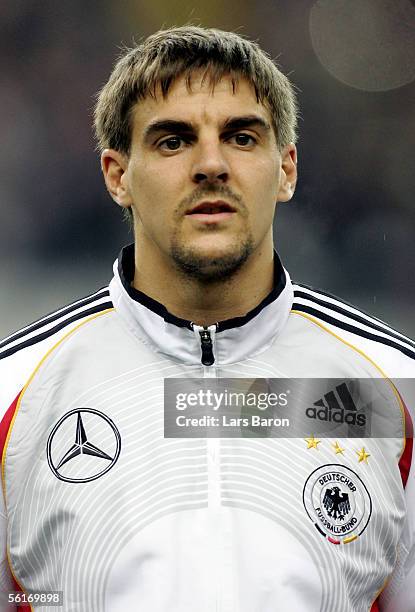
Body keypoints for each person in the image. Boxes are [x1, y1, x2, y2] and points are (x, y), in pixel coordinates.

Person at [0, 25, 414, 612]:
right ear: (118, 176)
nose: (211, 164)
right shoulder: (14, 392)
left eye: (242, 137)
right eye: (173, 141)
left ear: (287, 169)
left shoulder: (393, 388)